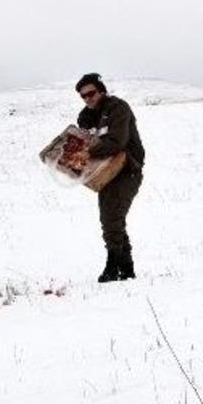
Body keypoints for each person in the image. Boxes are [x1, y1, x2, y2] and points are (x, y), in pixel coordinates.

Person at [74, 73, 145, 282]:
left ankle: (113, 266)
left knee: (111, 218)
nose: (88, 99)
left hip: (127, 169)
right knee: (112, 219)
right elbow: (83, 141)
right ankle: (127, 269)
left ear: (101, 91)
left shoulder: (118, 108)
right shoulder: (87, 116)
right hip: (105, 174)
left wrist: (89, 153)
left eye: (91, 93)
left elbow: (117, 141)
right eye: (83, 96)